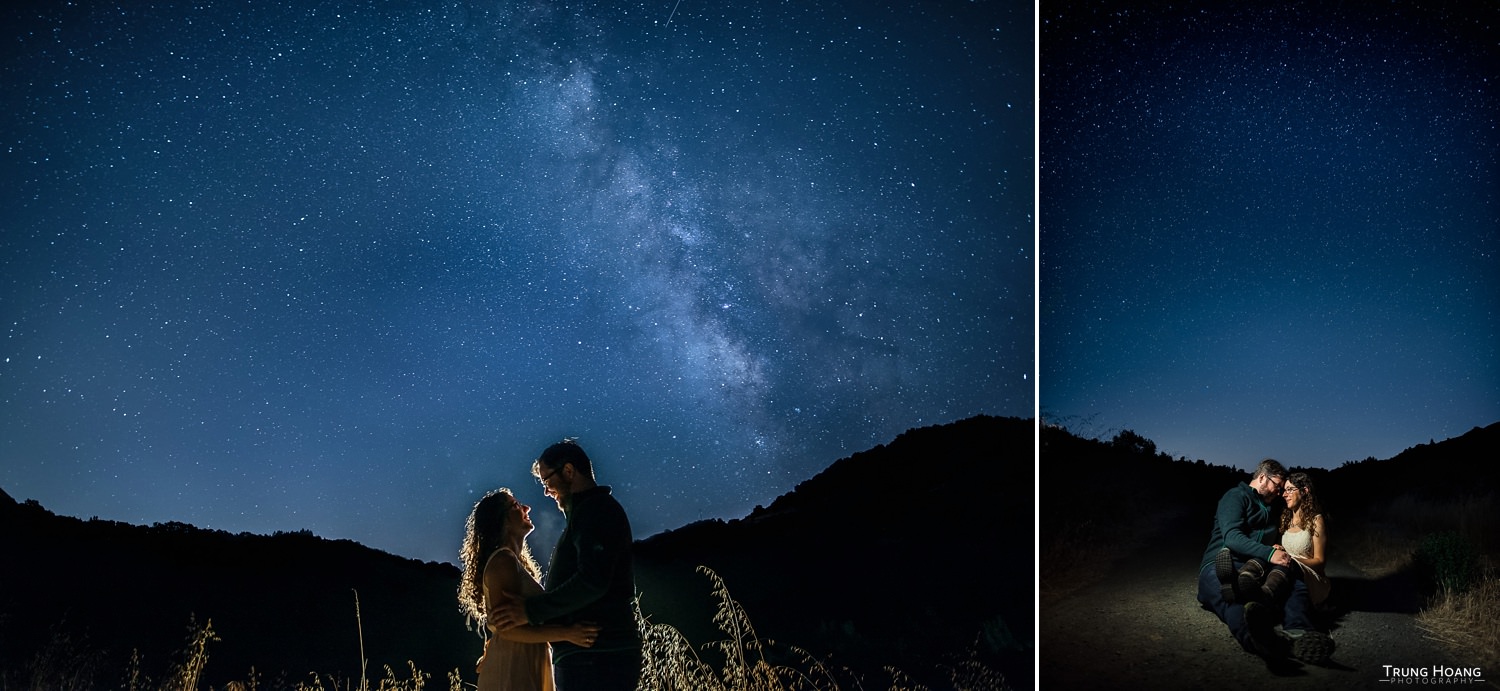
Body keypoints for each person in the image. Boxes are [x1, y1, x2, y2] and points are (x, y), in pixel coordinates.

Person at [489, 440, 642, 691]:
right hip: (591, 655)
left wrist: (530, 611)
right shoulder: (587, 514)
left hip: (598, 656)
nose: (547, 492)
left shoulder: (595, 510)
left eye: (546, 482)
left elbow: (592, 580)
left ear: (569, 471)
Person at [459, 488, 601, 691]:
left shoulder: (513, 562)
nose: (527, 507)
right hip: (513, 665)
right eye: (516, 505)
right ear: (503, 520)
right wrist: (567, 633)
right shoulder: (503, 560)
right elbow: (508, 629)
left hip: (524, 660)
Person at [1197, 459, 1293, 659]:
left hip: (1252, 568)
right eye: (1277, 485)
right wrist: (1268, 553)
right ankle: (1258, 641)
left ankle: (1262, 600)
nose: (1279, 492)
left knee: (1279, 576)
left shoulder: (1271, 510)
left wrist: (1275, 547)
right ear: (1262, 478)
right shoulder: (1236, 496)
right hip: (1222, 561)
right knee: (1233, 600)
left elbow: (1266, 541)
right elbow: (1232, 537)